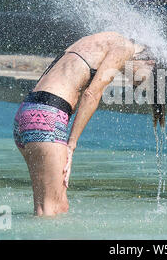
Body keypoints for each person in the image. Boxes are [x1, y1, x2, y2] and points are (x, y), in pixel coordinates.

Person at [13, 31, 156, 216]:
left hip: (28, 113)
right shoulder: (125, 47)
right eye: (139, 81)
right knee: (48, 211)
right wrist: (71, 146)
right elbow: (92, 94)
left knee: (60, 207)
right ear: (149, 62)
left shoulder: (97, 40)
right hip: (47, 117)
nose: (133, 83)